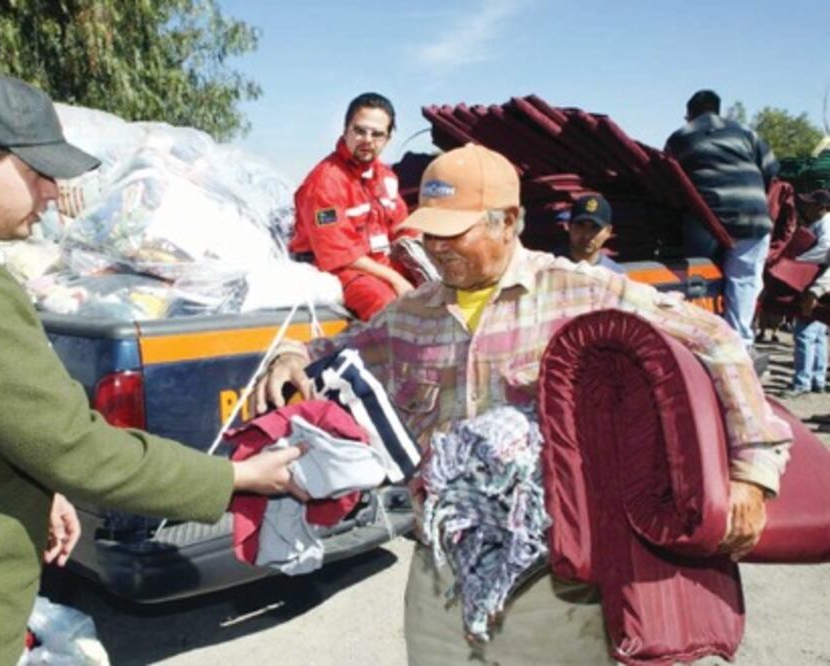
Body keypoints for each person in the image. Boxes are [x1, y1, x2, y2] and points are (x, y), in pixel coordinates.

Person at [254, 143, 791, 665]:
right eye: (430, 233)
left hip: (555, 589)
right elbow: (338, 351)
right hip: (440, 583)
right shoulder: (409, 316)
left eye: (454, 233)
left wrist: (751, 472)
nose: (436, 248)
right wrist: (290, 355)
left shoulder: (579, 292)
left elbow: (715, 340)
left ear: (508, 221)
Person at [0, 73, 303, 665]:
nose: (53, 191)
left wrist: (42, 487)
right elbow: (76, 446)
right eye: (38, 170)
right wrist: (233, 480)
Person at [665, 89, 779, 350]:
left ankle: (702, 334)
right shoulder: (747, 133)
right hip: (752, 216)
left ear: (690, 113)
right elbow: (772, 169)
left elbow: (668, 178)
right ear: (717, 110)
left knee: (699, 276)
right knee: (744, 280)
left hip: (706, 218)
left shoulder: (680, 137)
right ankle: (739, 344)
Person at [288, 92, 414, 320]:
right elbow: (340, 254)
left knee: (438, 290)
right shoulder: (325, 181)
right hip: (341, 267)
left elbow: (405, 228)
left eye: (377, 134)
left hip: (379, 262)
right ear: (345, 130)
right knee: (388, 306)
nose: (368, 140)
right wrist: (396, 279)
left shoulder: (386, 177)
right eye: (359, 130)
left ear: (388, 138)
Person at [786, 189, 830, 396]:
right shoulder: (818, 224)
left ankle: (802, 383)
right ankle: (817, 379)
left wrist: (794, 260)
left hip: (818, 284)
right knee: (818, 334)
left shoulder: (827, 226)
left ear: (822, 207)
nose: (806, 208)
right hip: (820, 284)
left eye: (811, 204)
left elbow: (823, 250)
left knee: (804, 334)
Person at [560, 193, 625, 274]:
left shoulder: (615, 274)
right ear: (569, 226)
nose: (587, 235)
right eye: (581, 225)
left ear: (608, 231)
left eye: (595, 228)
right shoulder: (547, 268)